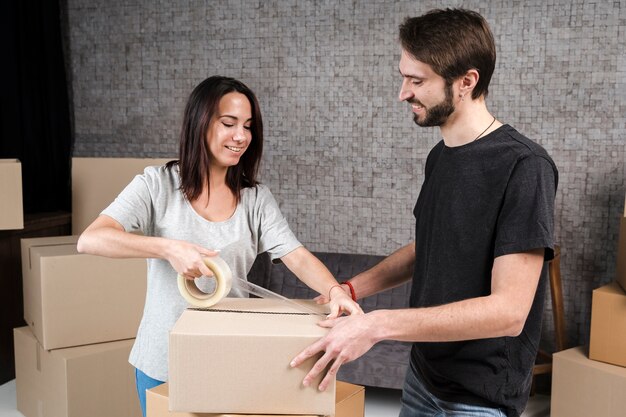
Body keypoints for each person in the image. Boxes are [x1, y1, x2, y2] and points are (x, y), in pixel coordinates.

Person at [290, 8, 558, 417]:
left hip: (478, 399)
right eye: (404, 77)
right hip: (422, 377)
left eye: (417, 81)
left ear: (466, 82)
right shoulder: (441, 157)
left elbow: (509, 312)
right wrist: (352, 289)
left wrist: (377, 325)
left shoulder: (524, 167)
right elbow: (430, 245)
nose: (403, 93)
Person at [76, 75, 362, 417]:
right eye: (228, 123)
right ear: (200, 123)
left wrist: (335, 291)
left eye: (248, 126)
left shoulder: (255, 199)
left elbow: (295, 255)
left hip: (228, 358)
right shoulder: (156, 185)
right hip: (162, 360)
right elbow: (91, 239)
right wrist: (169, 249)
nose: (241, 136)